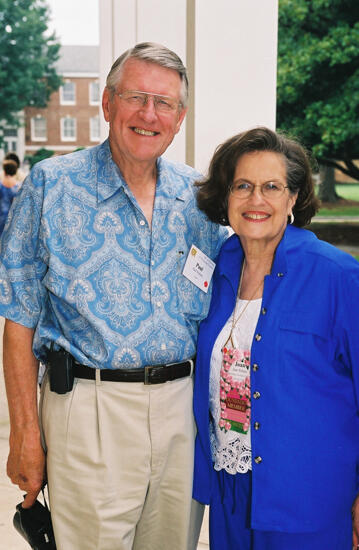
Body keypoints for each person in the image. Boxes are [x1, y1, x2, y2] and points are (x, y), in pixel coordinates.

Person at [0, 42, 226, 550]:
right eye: (135, 97)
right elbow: (18, 323)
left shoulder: (200, 199)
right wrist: (25, 435)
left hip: (180, 412)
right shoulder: (50, 187)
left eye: (164, 103)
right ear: (107, 104)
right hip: (88, 410)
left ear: (180, 117)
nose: (149, 114)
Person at [192, 126, 359, 549]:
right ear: (226, 196)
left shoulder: (337, 276)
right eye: (242, 186)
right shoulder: (218, 270)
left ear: (294, 198)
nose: (255, 200)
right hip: (230, 493)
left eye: (271, 186)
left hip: (308, 499)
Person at [0, 159, 20, 234]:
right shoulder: (19, 186)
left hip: (1, 216)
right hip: (14, 218)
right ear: (15, 171)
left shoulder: (1, 185)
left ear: (4, 171)